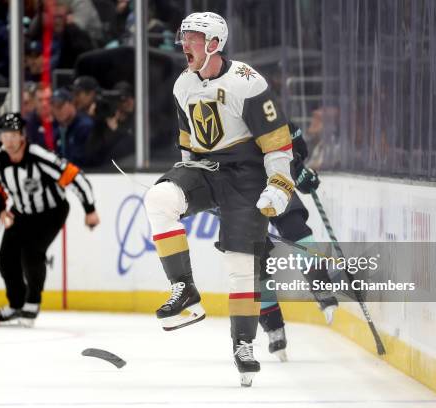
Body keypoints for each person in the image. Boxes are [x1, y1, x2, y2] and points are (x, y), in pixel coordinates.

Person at [143, 12, 294, 387]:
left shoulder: (248, 82)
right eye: (184, 38)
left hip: (247, 177)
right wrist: (188, 189)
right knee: (160, 198)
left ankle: (243, 344)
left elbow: (277, 141)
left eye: (191, 38)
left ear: (213, 44)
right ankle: (185, 290)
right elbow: (187, 143)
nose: (184, 45)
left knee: (242, 266)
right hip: (207, 170)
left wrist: (278, 186)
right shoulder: (183, 85)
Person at [0, 112, 99, 327]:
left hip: (51, 212)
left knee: (32, 252)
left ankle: (32, 302)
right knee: (5, 259)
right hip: (21, 213)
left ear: (22, 136)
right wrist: (1, 211)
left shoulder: (39, 157)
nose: (8, 140)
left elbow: (75, 177)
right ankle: (16, 305)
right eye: (4, 135)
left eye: (13, 135)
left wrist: (90, 209)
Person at [257, 123, 339, 362]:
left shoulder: (272, 115)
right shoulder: (223, 113)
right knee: (254, 260)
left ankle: (322, 290)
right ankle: (274, 327)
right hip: (241, 193)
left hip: (275, 184)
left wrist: (299, 172)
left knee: (296, 229)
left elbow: (293, 155)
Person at [51, 88, 94, 165]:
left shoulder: (84, 126)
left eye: (60, 106)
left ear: (71, 104)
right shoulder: (57, 128)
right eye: (53, 106)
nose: (57, 110)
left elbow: (84, 160)